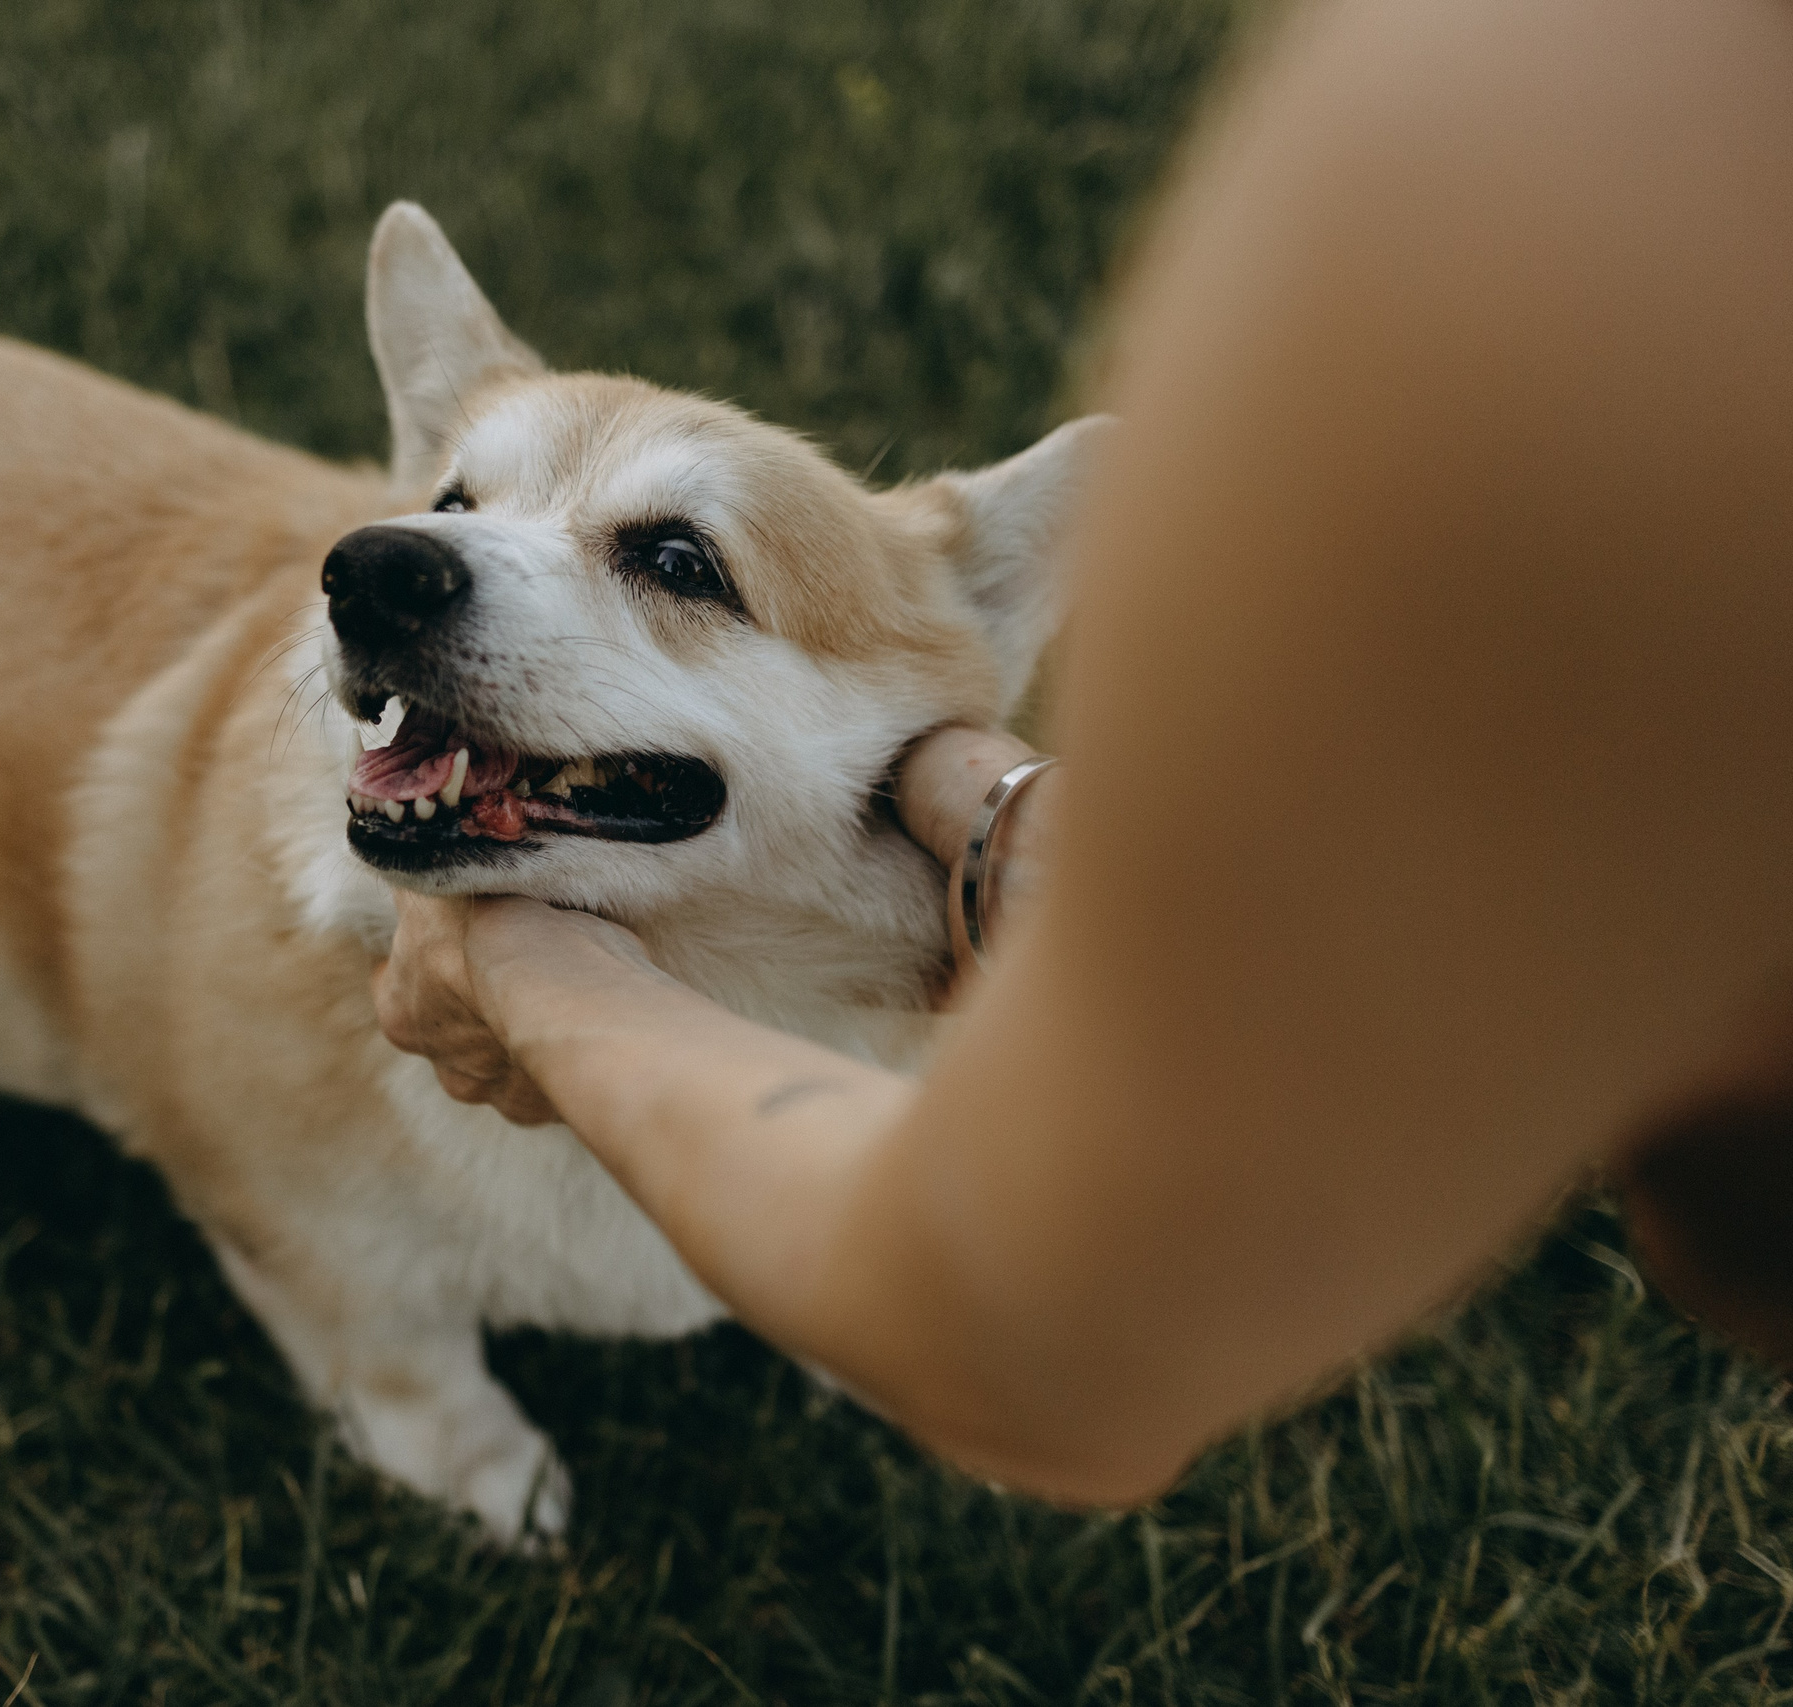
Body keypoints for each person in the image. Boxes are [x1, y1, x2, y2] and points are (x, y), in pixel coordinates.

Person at [368, 0, 1793, 1508]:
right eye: (453, 508)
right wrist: (1014, 814)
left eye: (673, 561)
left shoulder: (1585, 172)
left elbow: (1042, 1352)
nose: (406, 559)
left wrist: (535, 979)